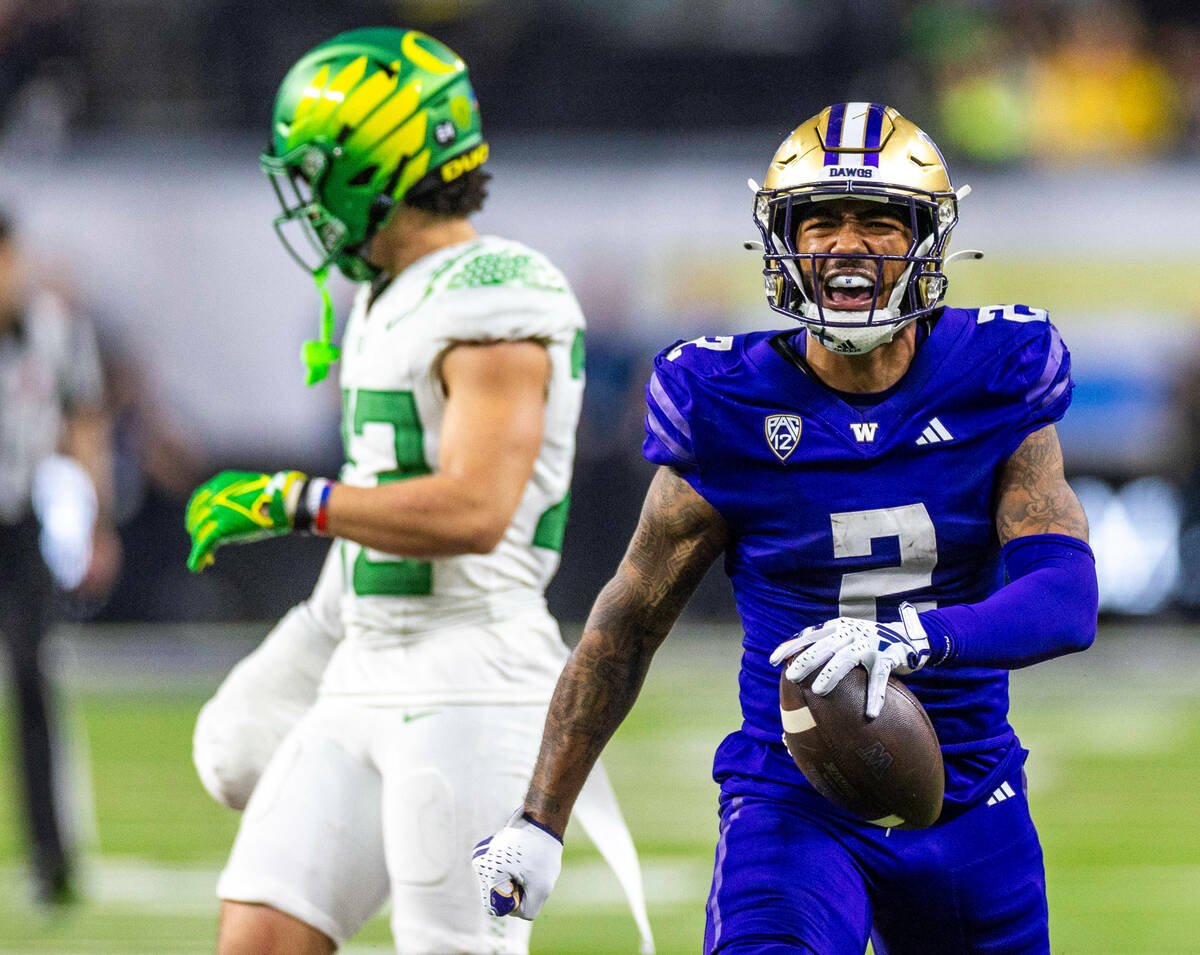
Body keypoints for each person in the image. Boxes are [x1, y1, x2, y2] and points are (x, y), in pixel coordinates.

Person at [473, 102, 1099, 954]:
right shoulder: (724, 402)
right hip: (793, 795)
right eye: (820, 220)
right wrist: (541, 815)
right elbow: (626, 624)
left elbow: (1066, 596)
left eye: (878, 220)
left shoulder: (996, 373)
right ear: (780, 240)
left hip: (970, 793)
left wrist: (919, 639)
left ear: (928, 240)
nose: (845, 244)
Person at [184, 28, 652, 955]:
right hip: (372, 667)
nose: (308, 200)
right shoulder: (386, 292)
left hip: (471, 682)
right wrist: (316, 634)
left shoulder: (497, 288)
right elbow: (385, 504)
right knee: (260, 937)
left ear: (379, 165)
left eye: (319, 172)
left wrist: (294, 501)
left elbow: (475, 508)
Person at [0, 208, 118, 904]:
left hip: (17, 524)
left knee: (34, 682)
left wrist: (98, 520)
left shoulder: (55, 326)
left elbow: (84, 421)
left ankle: (53, 856)